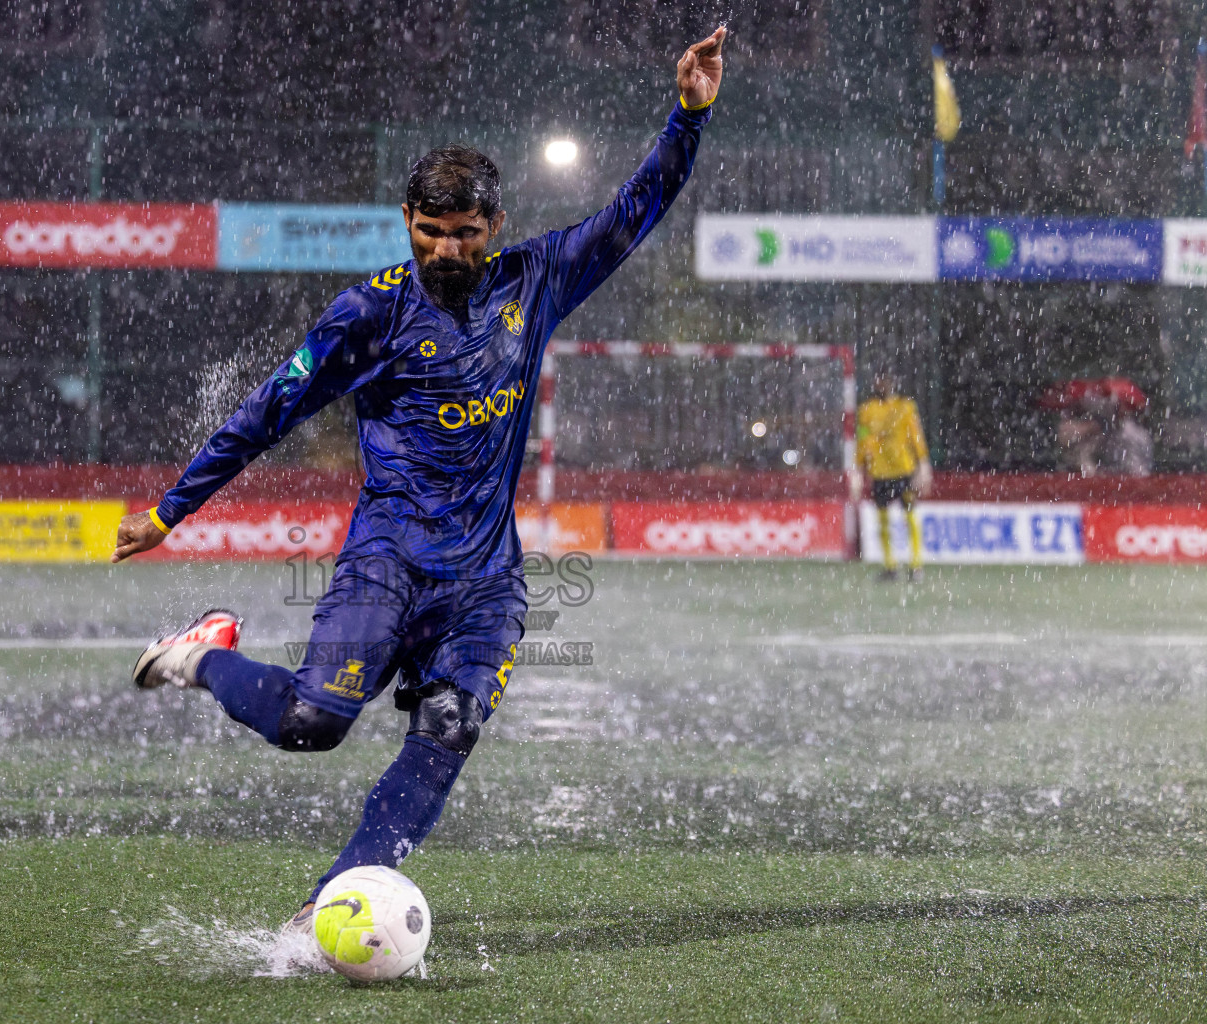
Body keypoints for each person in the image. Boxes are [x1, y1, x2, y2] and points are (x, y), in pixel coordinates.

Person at [111, 27, 728, 931]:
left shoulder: (539, 282)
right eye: (429, 230)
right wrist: (172, 511)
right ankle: (199, 654)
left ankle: (332, 905)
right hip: (387, 563)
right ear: (408, 223)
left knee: (444, 734)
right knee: (312, 725)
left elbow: (638, 209)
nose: (446, 248)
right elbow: (269, 409)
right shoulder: (368, 313)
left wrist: (689, 115)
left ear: (496, 226)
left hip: (486, 582)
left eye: (465, 232)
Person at [856, 372, 930, 581]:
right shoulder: (866, 410)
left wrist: (923, 464)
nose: (882, 384)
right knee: (883, 520)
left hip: (903, 470)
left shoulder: (905, 407)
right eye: (878, 380)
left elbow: (916, 436)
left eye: (886, 380)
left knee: (910, 516)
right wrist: (857, 468)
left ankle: (916, 566)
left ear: (893, 382)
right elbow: (862, 440)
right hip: (879, 473)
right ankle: (891, 566)